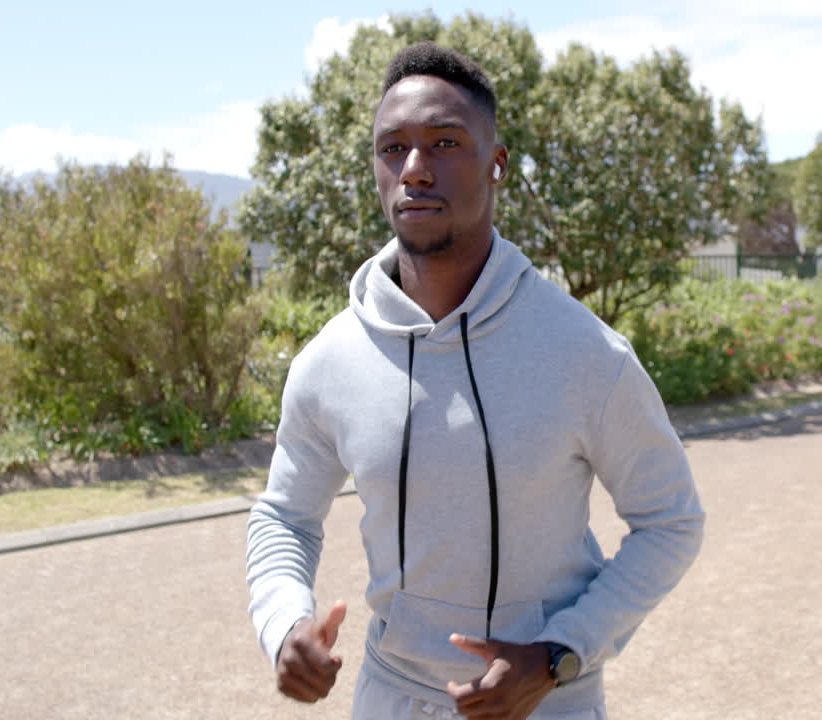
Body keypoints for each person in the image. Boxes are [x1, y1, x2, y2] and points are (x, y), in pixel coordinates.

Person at [246, 41, 705, 720]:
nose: (414, 168)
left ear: (497, 163)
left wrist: (558, 653)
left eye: (445, 143)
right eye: (393, 147)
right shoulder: (331, 360)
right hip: (390, 698)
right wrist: (284, 623)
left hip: (549, 704)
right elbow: (285, 515)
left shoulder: (585, 353)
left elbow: (671, 521)